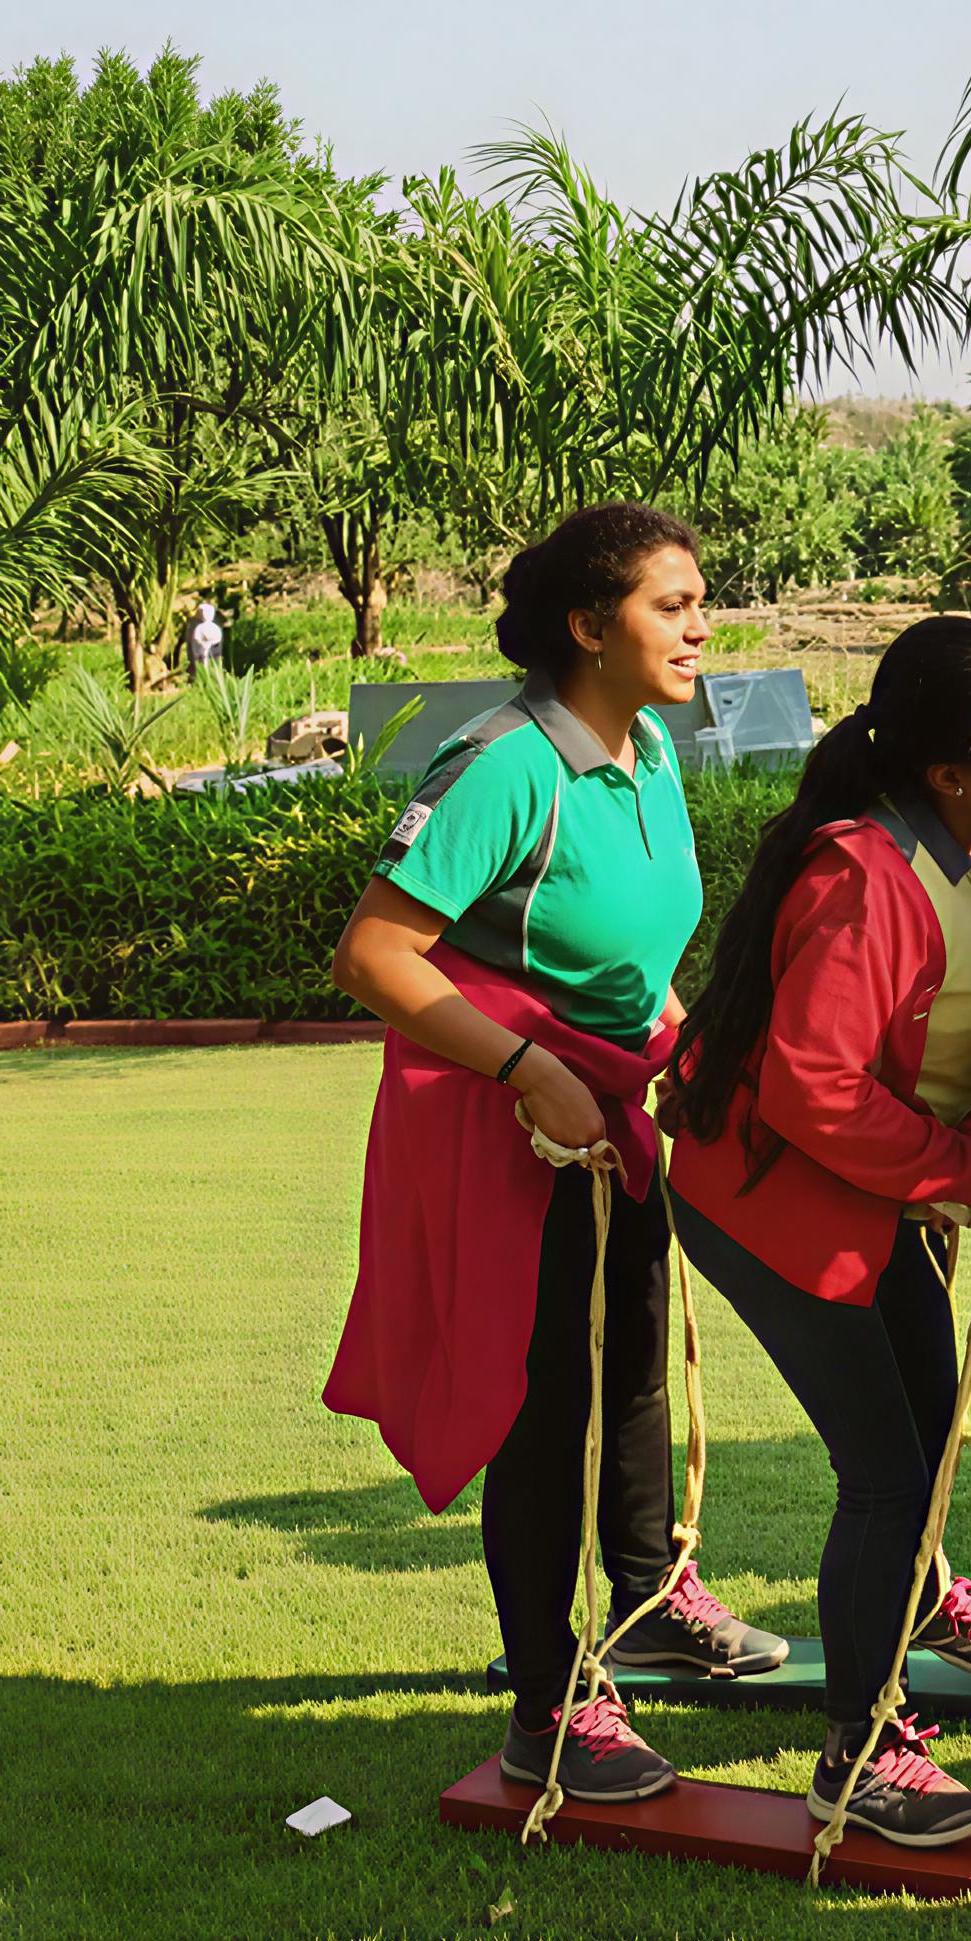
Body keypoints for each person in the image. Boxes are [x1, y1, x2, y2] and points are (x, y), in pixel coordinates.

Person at [324, 503, 787, 1809]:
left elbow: (628, 961)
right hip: (514, 1130)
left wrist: (690, 1059)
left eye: (702, 600)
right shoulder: (505, 762)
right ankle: (551, 1708)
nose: (700, 625)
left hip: (619, 1113)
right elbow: (373, 954)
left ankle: (646, 1604)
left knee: (631, 1366)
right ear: (590, 626)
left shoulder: (644, 754)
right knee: (541, 1420)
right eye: (671, 603)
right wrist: (531, 1068)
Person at [660, 617, 971, 1850]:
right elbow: (814, 1090)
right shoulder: (863, 871)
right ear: (946, 772)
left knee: (927, 1448)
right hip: (775, 1202)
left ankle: (920, 1598)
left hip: (872, 1192)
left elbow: (956, 1035)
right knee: (887, 1473)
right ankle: (859, 1754)